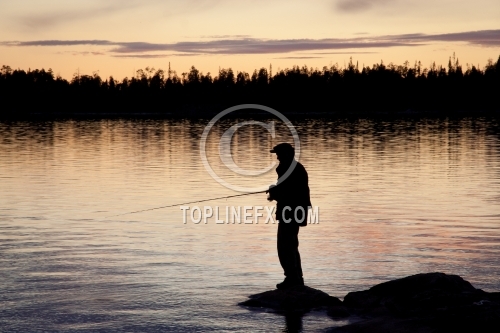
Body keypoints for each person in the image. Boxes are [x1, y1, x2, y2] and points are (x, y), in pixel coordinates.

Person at [267, 143, 311, 290]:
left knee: (286, 245)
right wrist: (275, 191)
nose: (277, 157)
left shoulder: (288, 168)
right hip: (295, 210)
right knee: (290, 245)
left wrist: (274, 193)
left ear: (285, 154)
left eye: (278, 154)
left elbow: (288, 193)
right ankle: (295, 278)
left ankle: (293, 279)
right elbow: (287, 190)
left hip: (291, 211)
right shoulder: (294, 167)